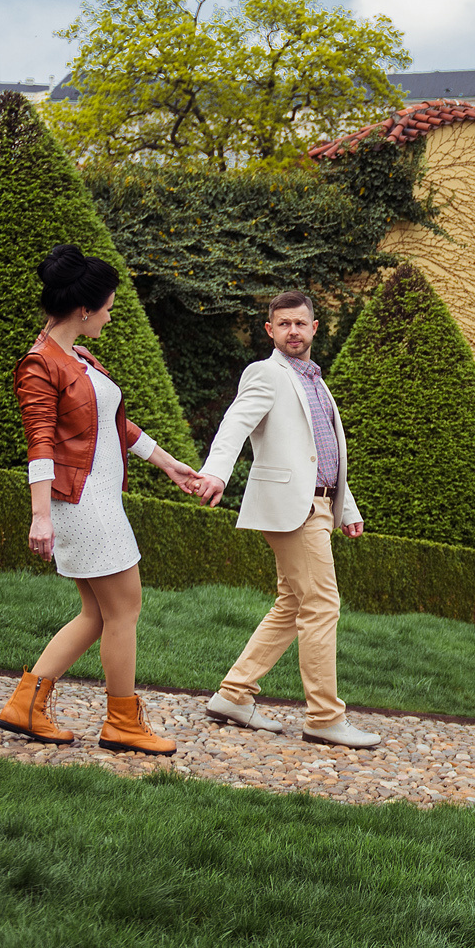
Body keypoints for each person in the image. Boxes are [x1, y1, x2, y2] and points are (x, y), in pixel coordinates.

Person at [0, 244, 218, 753]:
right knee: (124, 611)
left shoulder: (78, 357)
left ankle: (25, 706)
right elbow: (41, 444)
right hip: (80, 503)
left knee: (98, 615)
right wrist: (40, 516)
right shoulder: (39, 364)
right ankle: (122, 723)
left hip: (98, 499)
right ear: (83, 310)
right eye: (109, 307)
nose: (112, 315)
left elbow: (113, 424)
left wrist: (168, 464)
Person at [195, 290, 382, 748]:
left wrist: (347, 507)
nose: (293, 331)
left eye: (301, 323)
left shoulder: (316, 380)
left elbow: (322, 455)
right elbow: (234, 423)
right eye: (284, 324)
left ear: (315, 327)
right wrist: (216, 472)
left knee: (294, 604)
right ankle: (324, 718)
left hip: (319, 505)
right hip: (291, 509)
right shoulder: (266, 374)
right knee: (322, 605)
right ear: (270, 330)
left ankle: (233, 695)